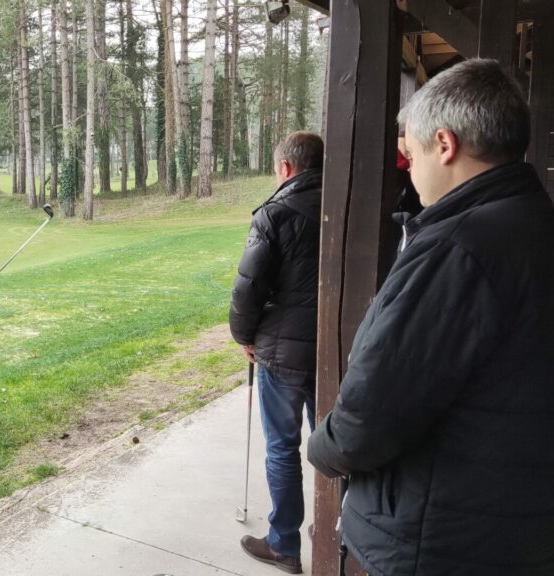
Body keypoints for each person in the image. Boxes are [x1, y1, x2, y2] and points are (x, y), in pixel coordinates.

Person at [308, 58, 554, 575]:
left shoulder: (459, 248)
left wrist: (322, 448)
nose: (410, 169)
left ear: (445, 145)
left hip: (438, 540)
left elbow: (373, 410)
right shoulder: (532, 223)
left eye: (412, 154)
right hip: (512, 530)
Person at [229, 131, 324, 574]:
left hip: (283, 353)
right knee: (333, 446)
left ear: (286, 168)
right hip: (333, 350)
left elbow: (249, 288)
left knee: (283, 449)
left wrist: (243, 335)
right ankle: (337, 533)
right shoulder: (347, 202)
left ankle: (284, 544)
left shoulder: (275, 212)